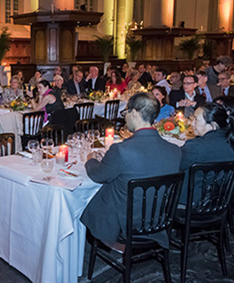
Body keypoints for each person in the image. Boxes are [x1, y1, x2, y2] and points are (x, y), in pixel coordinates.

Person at [81, 92, 181, 252]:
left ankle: (111, 243)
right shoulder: (175, 150)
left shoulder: (122, 150)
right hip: (157, 220)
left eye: (125, 112)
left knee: (81, 202)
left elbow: (98, 175)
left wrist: (91, 159)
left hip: (125, 224)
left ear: (134, 113)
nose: (125, 117)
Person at [179, 103, 234, 204]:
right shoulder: (230, 142)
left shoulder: (195, 147)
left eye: (196, 119)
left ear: (212, 125)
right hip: (220, 205)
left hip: (190, 205)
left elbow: (175, 167)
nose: (191, 123)